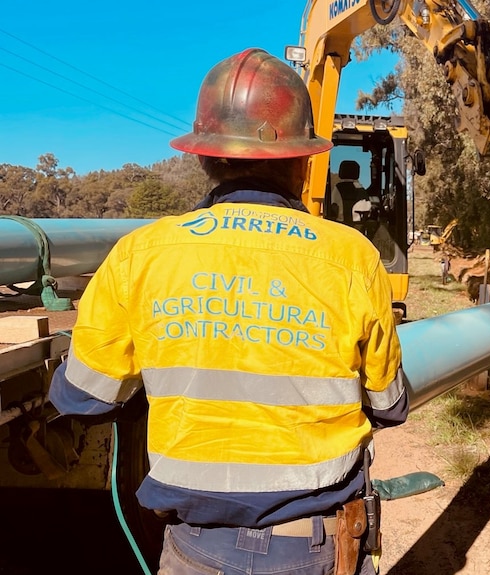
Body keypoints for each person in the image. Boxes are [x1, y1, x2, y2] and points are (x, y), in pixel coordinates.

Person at [48, 48, 409, 575]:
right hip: (316, 547)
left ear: (202, 156)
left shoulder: (140, 254)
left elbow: (81, 397)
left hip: (197, 550)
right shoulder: (350, 256)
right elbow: (389, 404)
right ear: (305, 158)